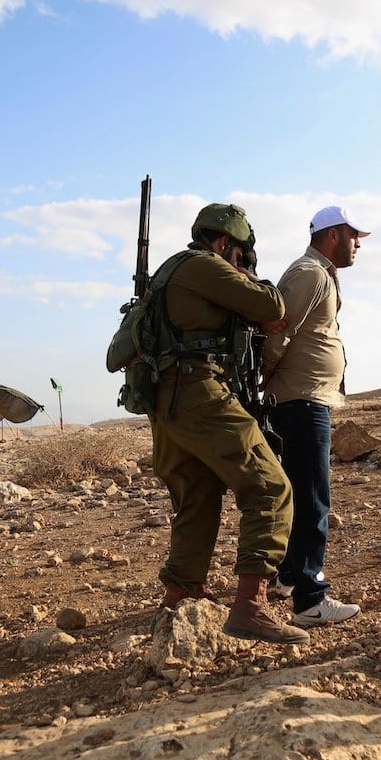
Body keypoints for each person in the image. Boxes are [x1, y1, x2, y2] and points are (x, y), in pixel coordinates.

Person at [150, 203, 309, 645]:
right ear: (225, 243)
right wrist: (250, 277)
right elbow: (270, 304)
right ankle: (250, 607)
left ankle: (180, 595)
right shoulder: (204, 266)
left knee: (197, 495)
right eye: (240, 253)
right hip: (200, 392)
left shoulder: (173, 270)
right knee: (270, 488)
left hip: (168, 399)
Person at [261, 205, 367, 629]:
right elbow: (279, 327)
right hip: (300, 401)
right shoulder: (309, 273)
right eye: (354, 235)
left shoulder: (319, 273)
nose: (358, 244)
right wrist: (267, 373)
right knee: (312, 498)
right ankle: (310, 597)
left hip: (306, 399)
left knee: (302, 494)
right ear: (333, 235)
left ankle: (287, 576)